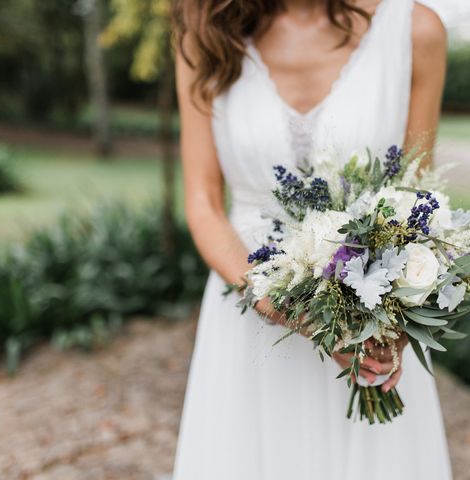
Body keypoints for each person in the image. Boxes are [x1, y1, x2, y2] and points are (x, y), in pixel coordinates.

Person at [171, 1, 451, 478]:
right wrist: (281, 305)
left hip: (369, 320)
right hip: (248, 318)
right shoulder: (205, 29)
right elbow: (203, 203)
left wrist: (397, 317)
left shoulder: (414, 31)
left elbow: (414, 197)